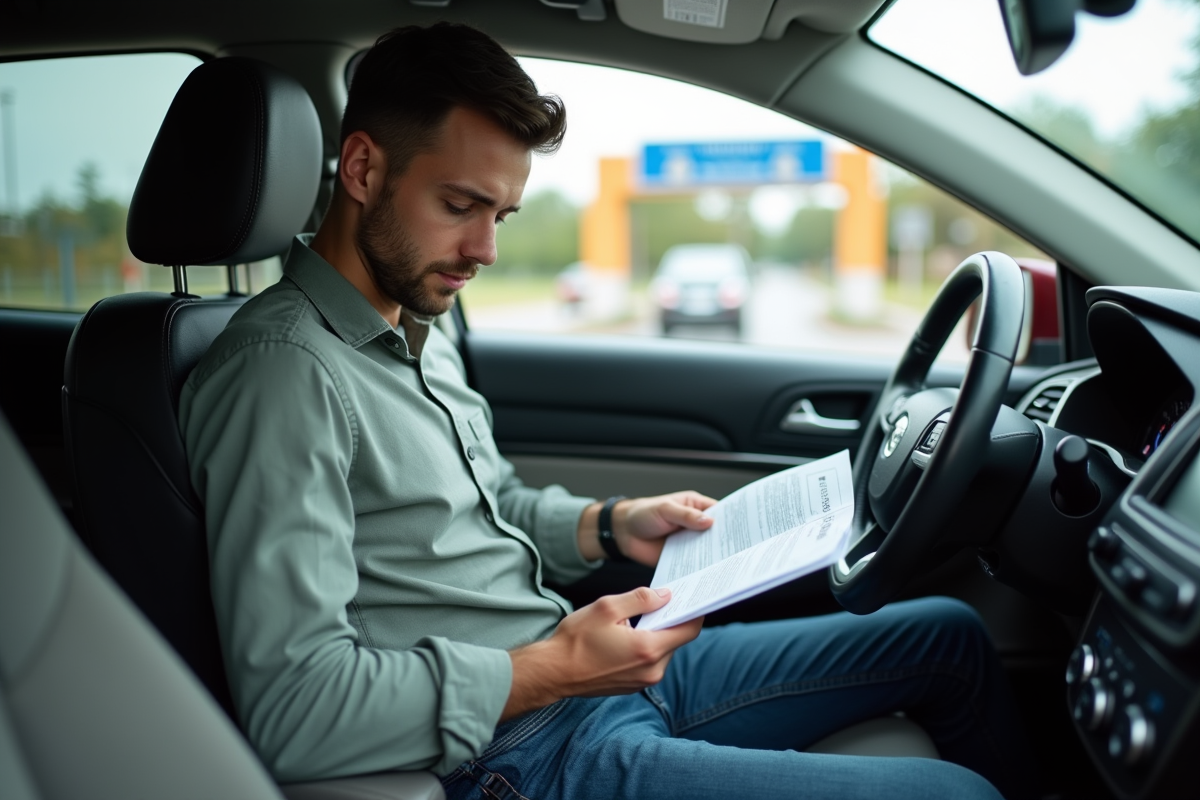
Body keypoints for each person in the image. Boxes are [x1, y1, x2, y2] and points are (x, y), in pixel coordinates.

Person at [179, 22, 1036, 800]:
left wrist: (612, 523)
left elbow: (488, 511)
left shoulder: (414, 320)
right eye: (460, 206)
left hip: (583, 674)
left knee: (950, 639)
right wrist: (554, 668)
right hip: (514, 750)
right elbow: (295, 708)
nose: (485, 250)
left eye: (502, 214)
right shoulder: (281, 375)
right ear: (363, 170)